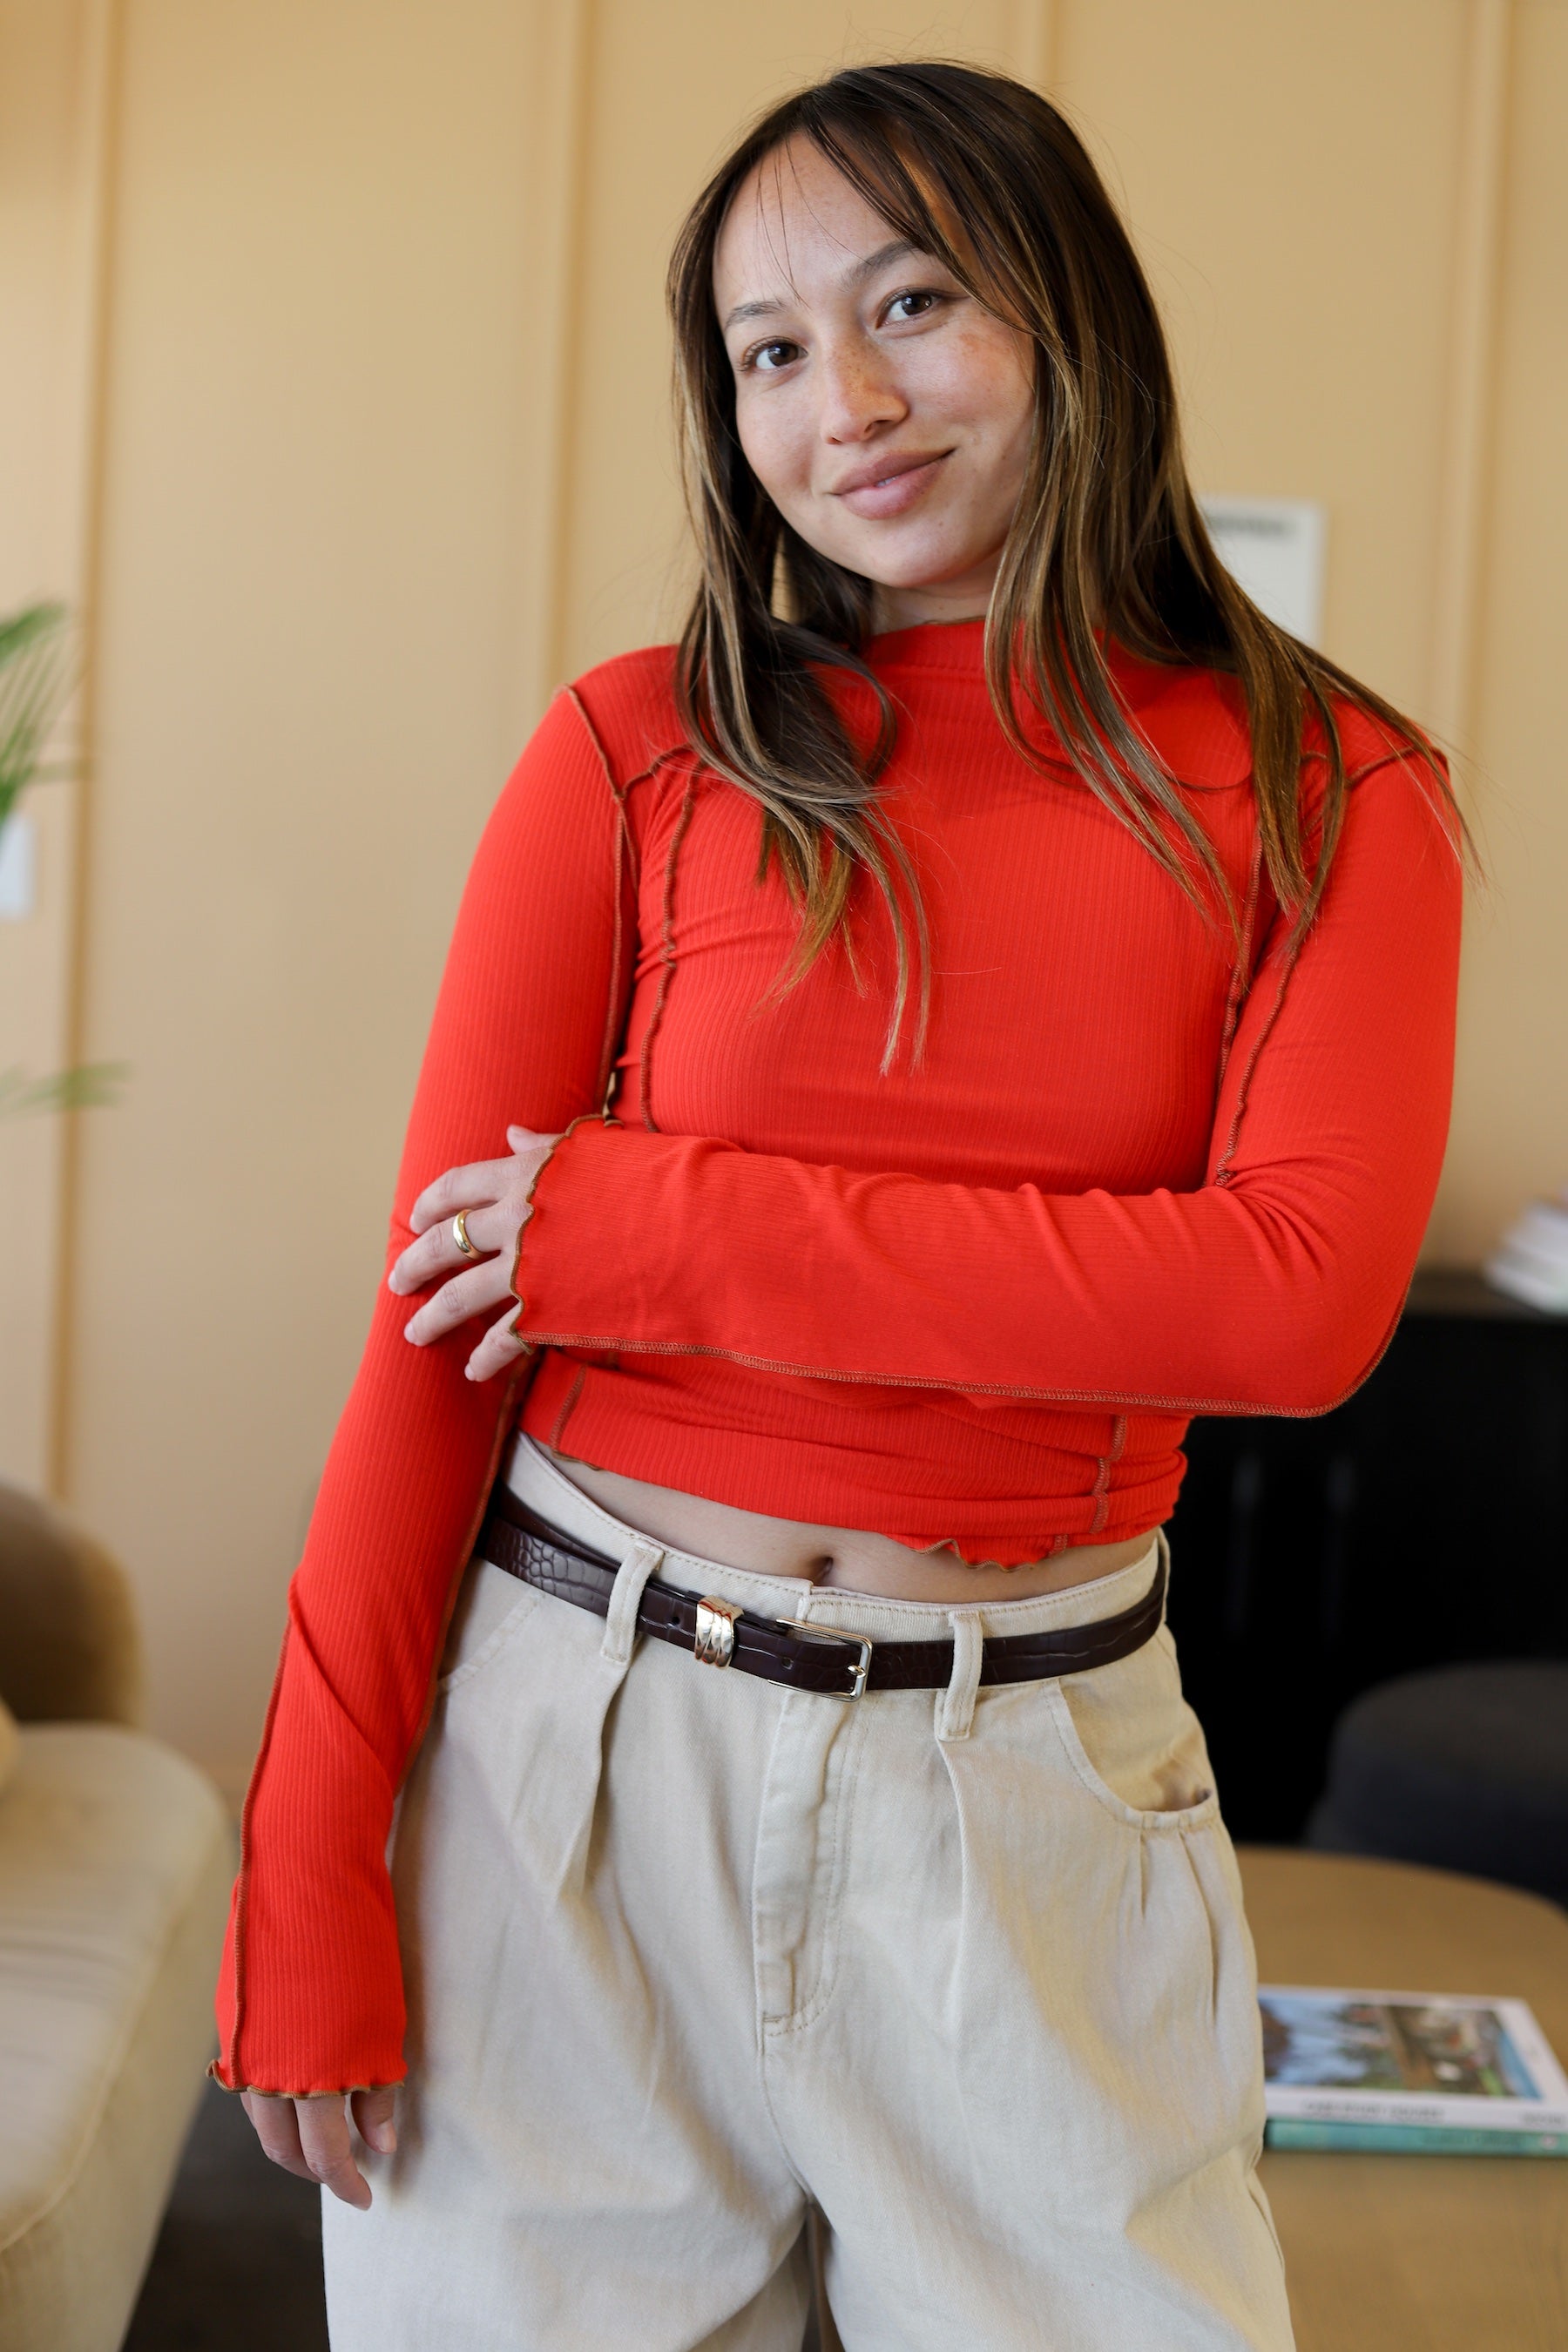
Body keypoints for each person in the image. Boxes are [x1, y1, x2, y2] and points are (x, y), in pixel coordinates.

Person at [221, 61, 1462, 2351]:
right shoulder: (633, 752)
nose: (849, 404)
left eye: (913, 305)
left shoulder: (1331, 787)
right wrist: (304, 1852)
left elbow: (1288, 1305)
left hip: (1031, 1784)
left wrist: (657, 1231)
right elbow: (432, 1339)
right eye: (771, 350)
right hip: (575, 1760)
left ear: (1070, 313)